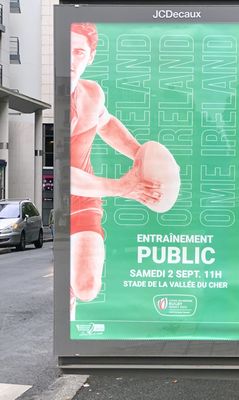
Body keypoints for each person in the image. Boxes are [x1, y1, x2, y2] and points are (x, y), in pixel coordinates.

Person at [69, 23, 166, 321]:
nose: (71, 60)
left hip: (83, 202)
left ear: (91, 57)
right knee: (65, 291)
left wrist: (141, 155)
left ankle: (71, 296)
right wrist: (124, 187)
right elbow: (64, 176)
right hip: (67, 196)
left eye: (79, 52)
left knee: (86, 287)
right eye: (66, 50)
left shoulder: (92, 93)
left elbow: (106, 124)